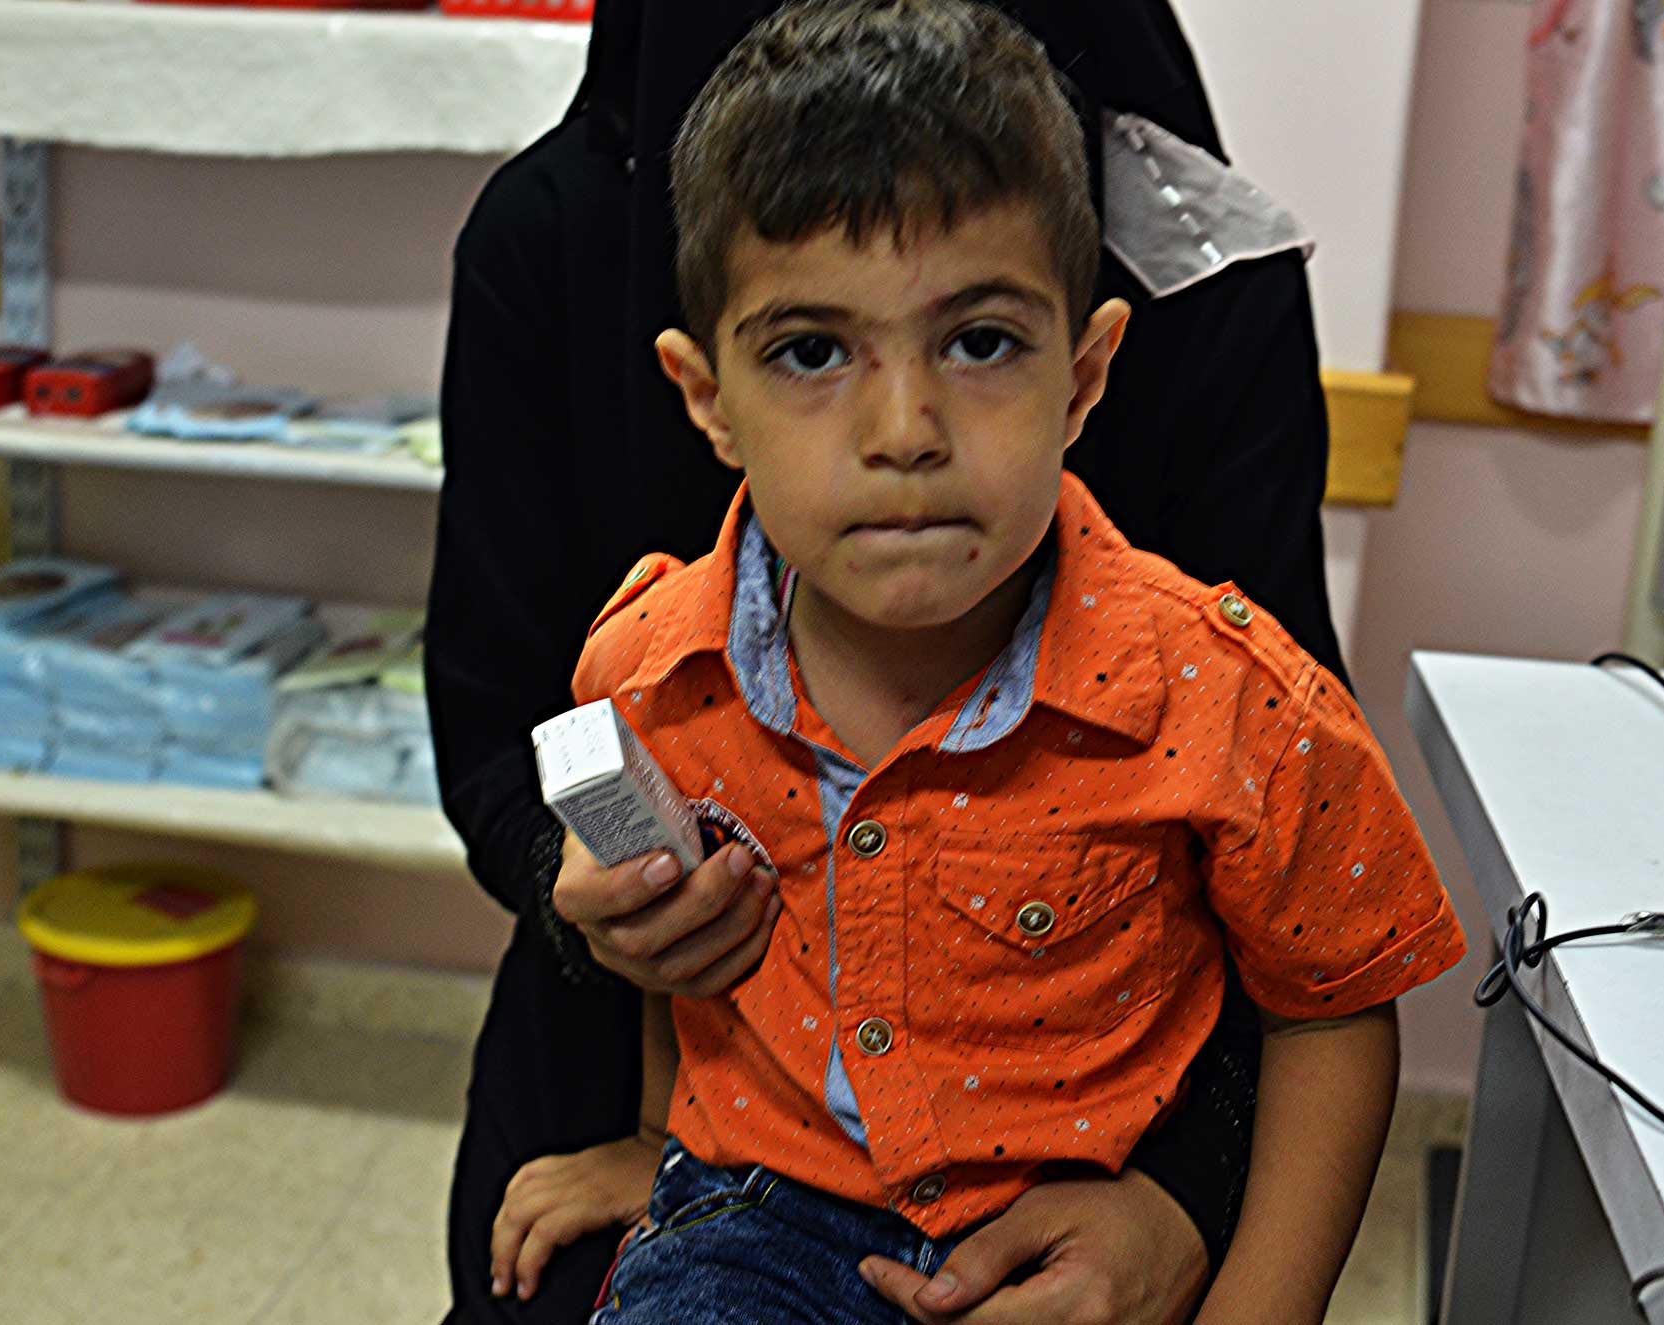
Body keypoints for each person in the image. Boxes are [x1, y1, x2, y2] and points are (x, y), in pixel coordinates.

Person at [479, 3, 1469, 1321]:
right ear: (705, 395)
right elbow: (679, 943)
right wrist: (665, 1142)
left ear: (1088, 371)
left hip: (1068, 1220)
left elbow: (1333, 1003)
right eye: (813, 353)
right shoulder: (650, 661)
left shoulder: (1233, 697)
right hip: (748, 1215)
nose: (906, 430)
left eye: (982, 343)